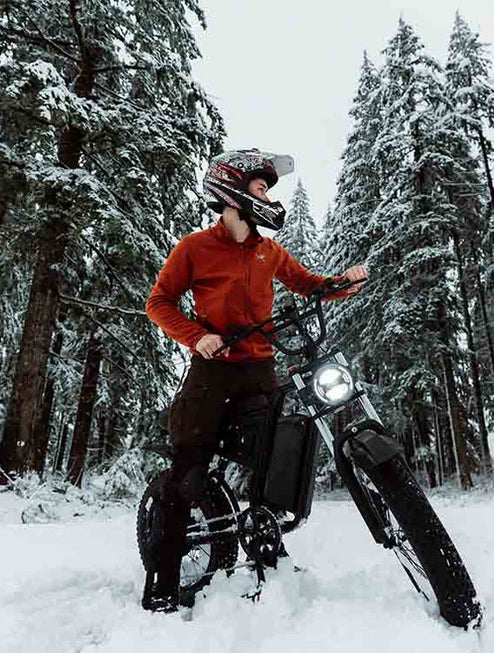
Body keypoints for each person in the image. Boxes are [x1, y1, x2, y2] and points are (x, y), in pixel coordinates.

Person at [142, 149, 367, 612]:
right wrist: (197, 336)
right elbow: (159, 302)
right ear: (232, 190)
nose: (267, 196)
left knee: (273, 463)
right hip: (212, 371)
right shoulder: (194, 249)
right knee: (187, 475)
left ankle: (270, 557)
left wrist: (343, 282)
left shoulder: (269, 251)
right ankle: (162, 588)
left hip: (260, 369)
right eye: (261, 187)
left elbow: (309, 284)